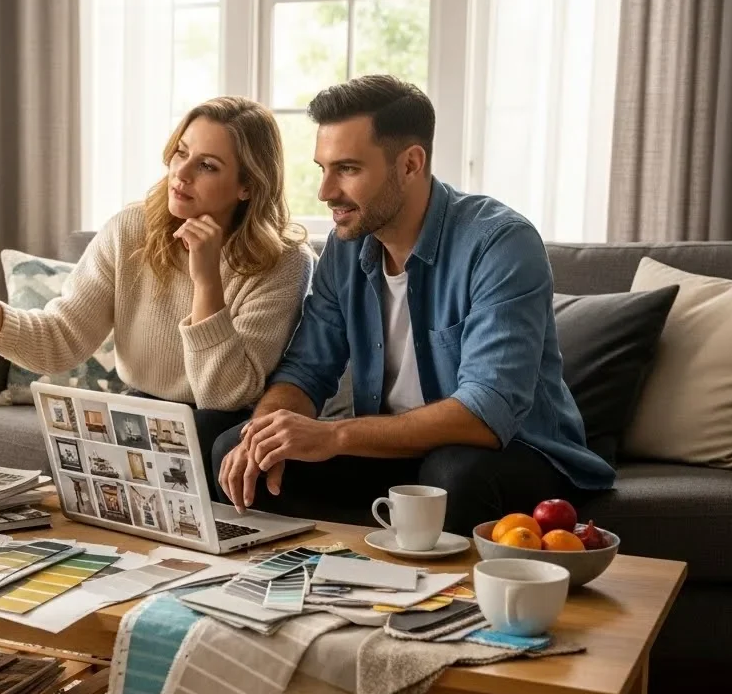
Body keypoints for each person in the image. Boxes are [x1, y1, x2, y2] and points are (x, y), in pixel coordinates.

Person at [212, 75, 615, 536]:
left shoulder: (500, 243)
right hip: (396, 451)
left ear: (410, 163)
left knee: (451, 474)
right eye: (323, 167)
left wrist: (335, 435)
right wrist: (264, 432)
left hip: (514, 452)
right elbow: (306, 370)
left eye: (347, 169)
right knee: (238, 451)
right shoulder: (346, 246)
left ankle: (443, 608)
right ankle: (304, 596)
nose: (325, 192)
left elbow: (486, 412)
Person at [0, 97, 314, 491]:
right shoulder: (131, 229)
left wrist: (207, 283)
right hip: (141, 410)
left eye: (207, 166)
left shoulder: (283, 261)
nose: (181, 173)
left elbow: (223, 395)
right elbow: (62, 337)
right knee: (121, 433)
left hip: (224, 423)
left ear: (247, 185)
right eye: (181, 152)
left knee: (202, 432)